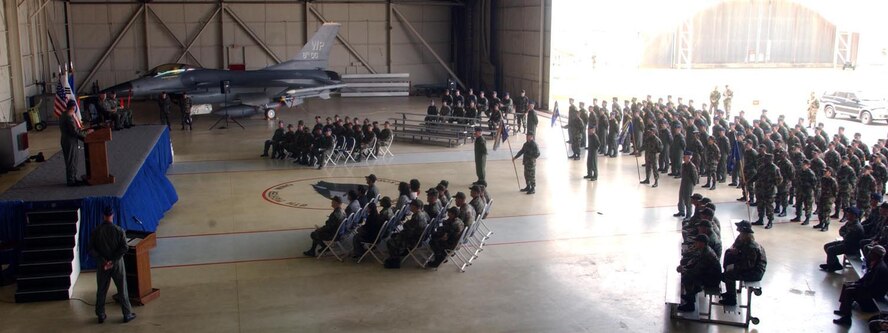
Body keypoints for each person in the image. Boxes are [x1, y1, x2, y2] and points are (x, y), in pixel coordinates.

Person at [89, 207, 136, 324]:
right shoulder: (119, 230)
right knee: (122, 288)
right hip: (117, 264)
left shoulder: (96, 231)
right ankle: (127, 313)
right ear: (113, 215)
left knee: (101, 290)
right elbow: (125, 247)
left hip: (102, 265)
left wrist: (103, 260)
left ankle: (100, 314)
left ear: (103, 215)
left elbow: (91, 249)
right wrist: (113, 260)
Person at [832, 245, 888, 327]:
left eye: (871, 252)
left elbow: (872, 285)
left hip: (873, 294)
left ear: (876, 255)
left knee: (849, 291)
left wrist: (857, 285)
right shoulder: (876, 263)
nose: (869, 254)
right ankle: (843, 310)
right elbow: (866, 277)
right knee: (847, 284)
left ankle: (847, 318)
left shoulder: (880, 268)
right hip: (868, 288)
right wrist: (857, 282)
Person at [719, 221, 767, 306]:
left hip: (755, 272)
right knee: (729, 254)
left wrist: (733, 267)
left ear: (745, 233)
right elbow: (734, 247)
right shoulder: (742, 239)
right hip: (750, 267)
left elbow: (748, 265)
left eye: (740, 231)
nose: (738, 231)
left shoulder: (751, 247)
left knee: (729, 275)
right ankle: (730, 292)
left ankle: (732, 299)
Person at [676, 234, 722, 312]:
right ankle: (689, 296)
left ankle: (690, 305)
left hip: (712, 279)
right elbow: (695, 262)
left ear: (702, 243)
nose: (695, 244)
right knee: (688, 275)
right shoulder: (704, 249)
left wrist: (684, 270)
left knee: (688, 278)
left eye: (697, 242)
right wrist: (685, 267)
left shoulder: (706, 254)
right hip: (708, 274)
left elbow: (697, 271)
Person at [60, 101, 94, 187]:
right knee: (72, 161)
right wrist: (87, 133)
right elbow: (74, 132)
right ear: (73, 108)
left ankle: (73, 178)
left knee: (71, 160)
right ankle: (71, 181)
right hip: (70, 141)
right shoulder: (69, 117)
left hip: (66, 140)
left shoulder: (63, 114)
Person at [820, 207, 865, 271]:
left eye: (849, 214)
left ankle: (832, 266)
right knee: (826, 246)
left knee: (831, 250)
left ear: (854, 216)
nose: (847, 215)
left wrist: (844, 234)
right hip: (846, 243)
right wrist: (844, 234)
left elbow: (847, 237)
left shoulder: (857, 227)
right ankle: (834, 264)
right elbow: (841, 230)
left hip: (852, 247)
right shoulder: (850, 223)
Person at [386, 200, 429, 264]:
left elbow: (408, 228)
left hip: (414, 239)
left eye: (411, 206)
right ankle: (401, 253)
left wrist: (404, 226)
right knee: (395, 235)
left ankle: (395, 260)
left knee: (390, 241)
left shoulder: (416, 217)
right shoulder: (424, 213)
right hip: (419, 236)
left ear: (414, 207)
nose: (410, 207)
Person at [748, 152, 782, 229]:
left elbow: (779, 180)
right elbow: (756, 176)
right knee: (760, 205)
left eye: (766, 160)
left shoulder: (775, 168)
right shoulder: (762, 167)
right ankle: (760, 219)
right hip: (760, 190)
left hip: (769, 191)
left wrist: (771, 184)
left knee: (769, 207)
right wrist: (749, 181)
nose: (764, 161)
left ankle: (770, 221)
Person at [675, 152, 699, 218]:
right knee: (681, 197)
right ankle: (681, 211)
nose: (683, 158)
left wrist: (693, 184)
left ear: (689, 157)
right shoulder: (684, 165)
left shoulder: (692, 166)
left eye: (685, 156)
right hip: (683, 182)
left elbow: (695, 176)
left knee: (688, 199)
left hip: (689, 184)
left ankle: (688, 215)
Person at [815, 167, 839, 231]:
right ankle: (821, 223)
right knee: (820, 211)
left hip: (829, 198)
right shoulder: (823, 179)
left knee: (826, 212)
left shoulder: (832, 181)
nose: (824, 173)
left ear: (830, 173)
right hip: (822, 197)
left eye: (826, 172)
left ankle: (826, 225)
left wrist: (833, 199)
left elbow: (835, 191)